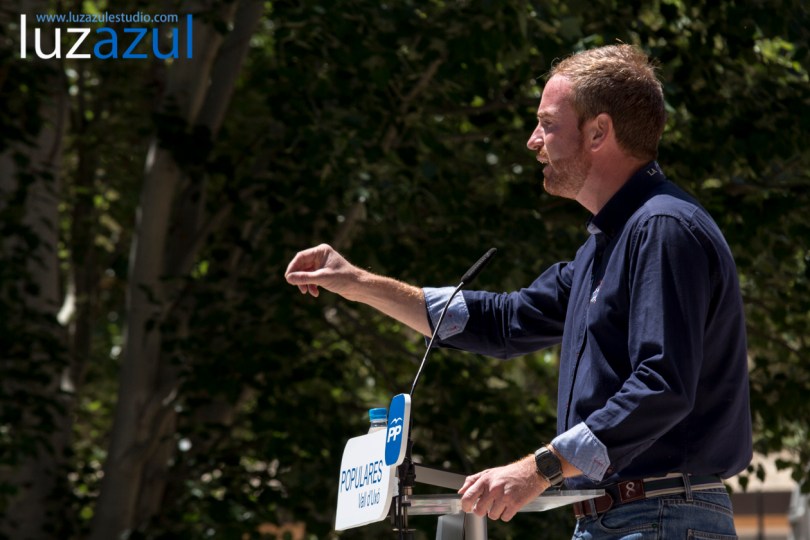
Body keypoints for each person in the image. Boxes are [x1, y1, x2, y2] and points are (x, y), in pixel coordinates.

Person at [285, 44, 752, 539]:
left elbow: (661, 384)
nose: (533, 142)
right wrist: (357, 283)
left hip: (659, 517)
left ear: (599, 132)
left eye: (547, 123)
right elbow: (504, 323)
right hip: (626, 517)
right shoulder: (608, 244)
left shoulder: (663, 228)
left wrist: (539, 468)